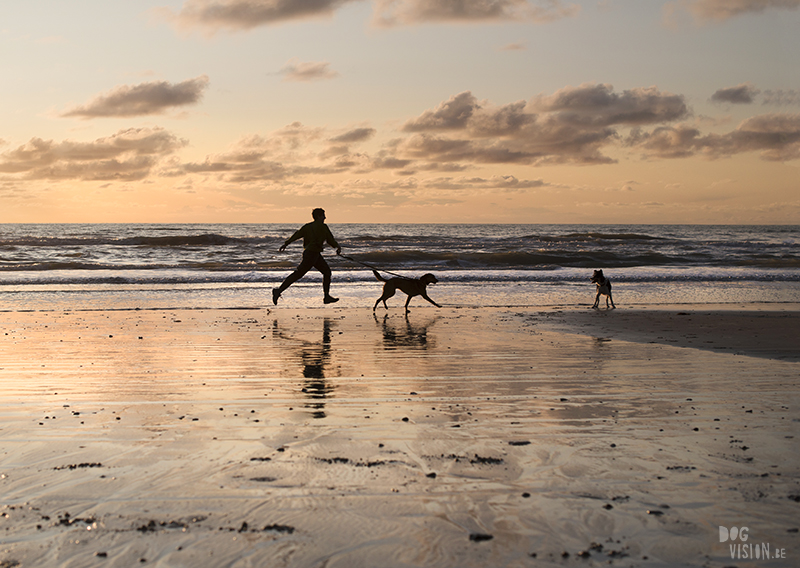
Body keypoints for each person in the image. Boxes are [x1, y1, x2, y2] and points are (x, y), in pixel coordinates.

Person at [273, 208, 342, 305]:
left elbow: (297, 235)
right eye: (323, 215)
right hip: (312, 254)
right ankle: (278, 291)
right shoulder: (323, 227)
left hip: (312, 254)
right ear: (318, 216)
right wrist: (337, 247)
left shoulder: (307, 227)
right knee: (299, 274)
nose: (325, 218)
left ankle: (326, 296)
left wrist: (286, 243)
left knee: (326, 272)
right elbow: (330, 240)